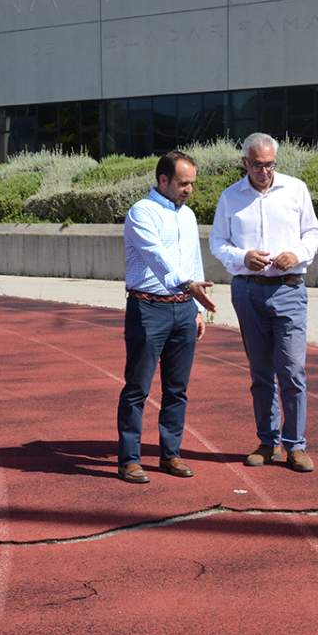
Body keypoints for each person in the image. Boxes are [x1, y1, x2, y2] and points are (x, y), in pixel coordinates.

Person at [210, 132, 318, 472]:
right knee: (260, 372)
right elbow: (217, 241)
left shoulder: (295, 189)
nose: (265, 172)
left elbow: (313, 233)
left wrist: (297, 254)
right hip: (248, 290)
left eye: (270, 165)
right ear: (245, 163)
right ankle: (267, 441)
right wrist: (243, 257)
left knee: (291, 369)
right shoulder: (230, 197)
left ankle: (296, 445)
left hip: (288, 288)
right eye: (258, 165)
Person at [116, 150, 216, 484]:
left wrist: (198, 308)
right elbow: (156, 257)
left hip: (184, 309)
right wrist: (187, 284)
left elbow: (193, 260)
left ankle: (170, 454)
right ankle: (129, 459)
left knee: (177, 388)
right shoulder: (141, 212)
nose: (189, 189)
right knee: (137, 387)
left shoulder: (187, 216)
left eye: (192, 184)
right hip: (148, 308)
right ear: (163, 180)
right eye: (183, 183)